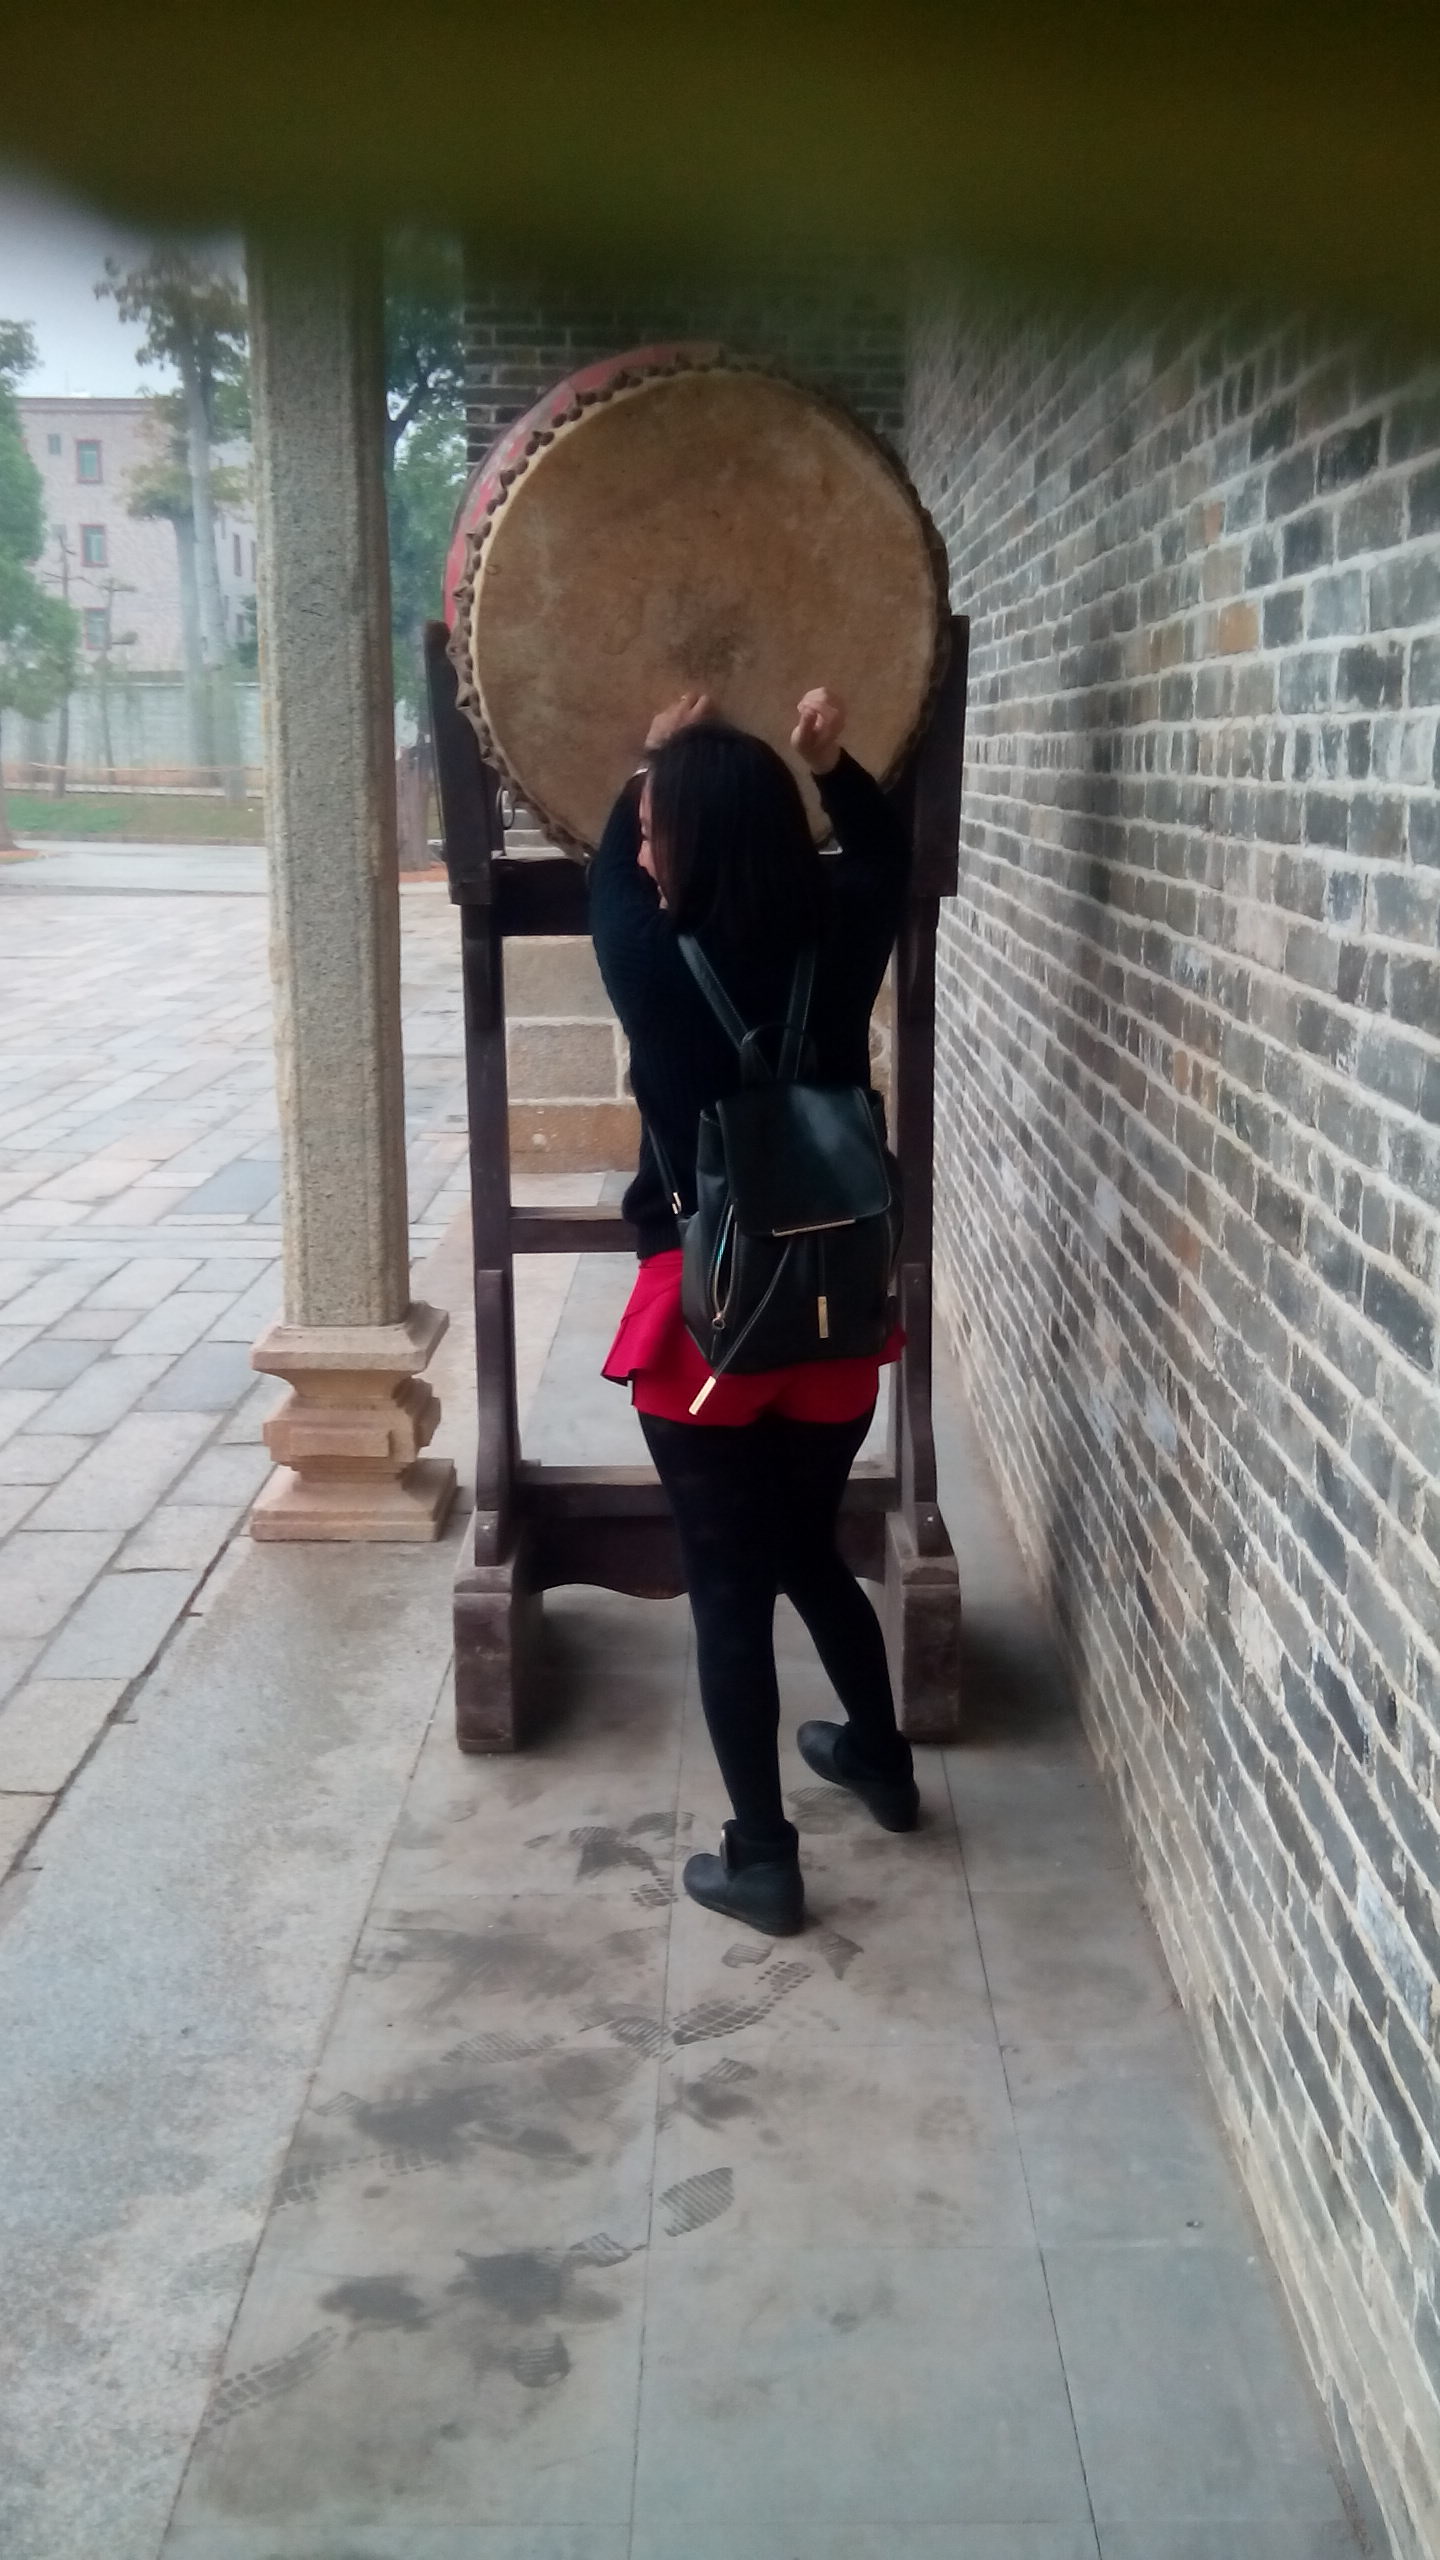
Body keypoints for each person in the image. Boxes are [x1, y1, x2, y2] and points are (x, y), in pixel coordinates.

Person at [589, 685, 919, 1937]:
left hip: (705, 1327)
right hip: (833, 1314)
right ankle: (878, 1758)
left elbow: (609, 876)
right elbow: (881, 852)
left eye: (658, 831)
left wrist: (653, 751)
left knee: (728, 1586)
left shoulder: (647, 963)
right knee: (806, 1546)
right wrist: (829, 764)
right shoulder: (844, 932)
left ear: (685, 839)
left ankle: (762, 1858)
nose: (646, 852)